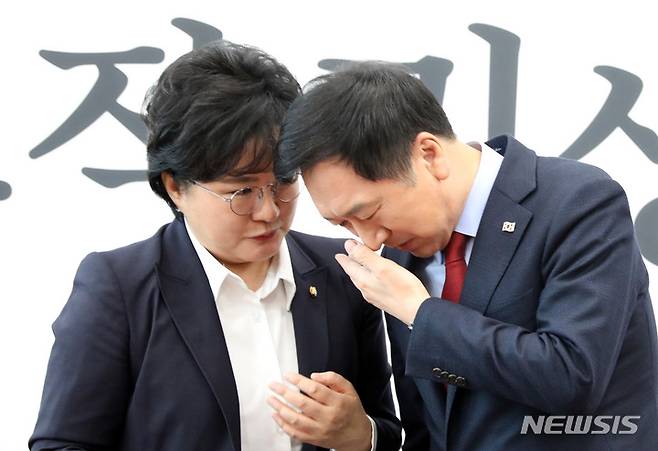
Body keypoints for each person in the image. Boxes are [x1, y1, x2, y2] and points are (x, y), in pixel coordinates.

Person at [29, 43, 401, 451]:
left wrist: (361, 435)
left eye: (283, 182)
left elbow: (388, 430)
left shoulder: (343, 274)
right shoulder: (119, 287)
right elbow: (62, 443)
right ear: (176, 187)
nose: (268, 211)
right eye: (241, 191)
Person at [274, 62, 658, 450]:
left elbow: (571, 376)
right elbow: (427, 428)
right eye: (344, 224)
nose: (369, 240)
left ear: (428, 154)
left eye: (369, 212)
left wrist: (421, 313)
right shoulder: (400, 258)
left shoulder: (578, 202)